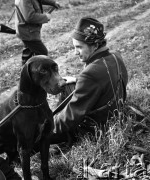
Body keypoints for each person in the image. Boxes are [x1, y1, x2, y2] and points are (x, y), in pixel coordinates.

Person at [50, 16, 128, 148]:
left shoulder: (90, 74)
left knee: (38, 134)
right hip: (115, 113)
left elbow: (72, 117)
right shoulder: (115, 55)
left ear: (95, 45)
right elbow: (103, 80)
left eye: (79, 47)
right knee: (68, 85)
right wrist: (77, 80)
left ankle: (61, 136)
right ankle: (56, 117)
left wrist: (47, 127)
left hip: (95, 129)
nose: (75, 53)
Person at [15, 0, 60, 65]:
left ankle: (26, 72)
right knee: (42, 53)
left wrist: (53, 3)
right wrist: (45, 17)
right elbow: (30, 17)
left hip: (27, 31)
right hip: (28, 33)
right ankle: (39, 73)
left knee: (29, 53)